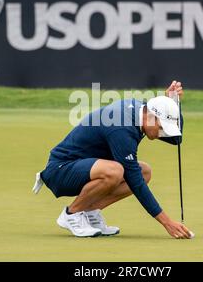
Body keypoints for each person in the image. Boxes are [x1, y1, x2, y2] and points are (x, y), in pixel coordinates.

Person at [32, 81, 194, 239]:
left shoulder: (143, 112)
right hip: (61, 170)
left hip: (86, 167)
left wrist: (172, 103)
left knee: (145, 172)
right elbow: (134, 181)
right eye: (161, 127)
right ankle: (71, 214)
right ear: (150, 117)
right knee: (116, 171)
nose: (162, 133)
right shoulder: (121, 126)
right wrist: (166, 222)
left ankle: (89, 213)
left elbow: (176, 139)